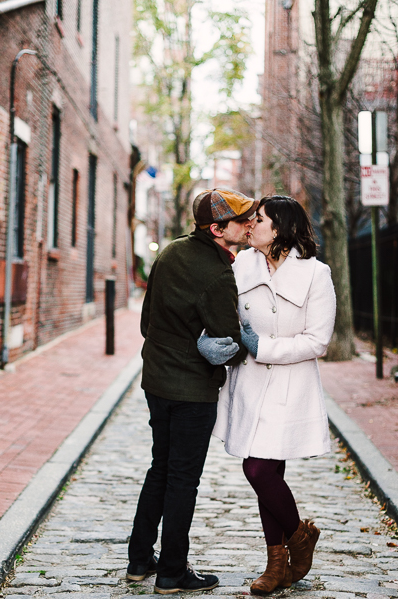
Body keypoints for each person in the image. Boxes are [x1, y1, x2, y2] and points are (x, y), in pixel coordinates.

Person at [126, 188, 259, 594]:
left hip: (157, 383)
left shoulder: (169, 253)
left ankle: (139, 561)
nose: (249, 224)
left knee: (160, 468)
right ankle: (172, 572)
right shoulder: (218, 274)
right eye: (242, 220)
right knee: (183, 479)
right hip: (191, 392)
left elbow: (148, 323)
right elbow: (229, 343)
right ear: (218, 229)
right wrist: (228, 346)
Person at [205, 195, 336, 595]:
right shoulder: (242, 264)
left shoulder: (316, 274)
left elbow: (318, 341)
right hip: (248, 383)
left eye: (257, 220)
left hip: (289, 386)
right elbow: (226, 312)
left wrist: (264, 347)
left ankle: (297, 539)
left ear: (277, 228)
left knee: (259, 470)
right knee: (268, 474)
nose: (250, 226)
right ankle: (278, 562)